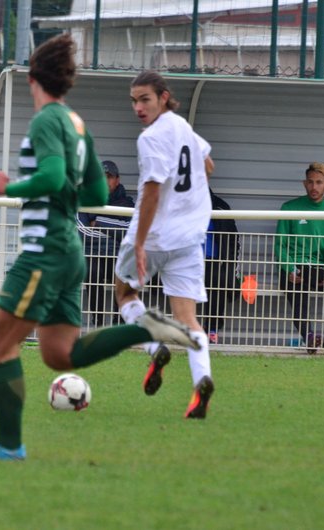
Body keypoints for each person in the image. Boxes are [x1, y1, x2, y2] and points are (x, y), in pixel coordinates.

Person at [0, 35, 199, 461]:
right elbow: (90, 190)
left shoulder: (47, 121)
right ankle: (146, 328)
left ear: (34, 78)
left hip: (44, 250)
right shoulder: (76, 123)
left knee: (0, 344)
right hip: (69, 250)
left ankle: (9, 446)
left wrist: (9, 186)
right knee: (59, 353)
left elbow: (50, 178)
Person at [113, 70, 214, 419]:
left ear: (163, 97)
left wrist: (139, 244)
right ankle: (202, 379)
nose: (138, 107)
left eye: (145, 99)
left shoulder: (151, 138)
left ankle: (155, 347)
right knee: (188, 321)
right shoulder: (183, 127)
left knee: (125, 294)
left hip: (154, 236)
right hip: (189, 237)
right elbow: (208, 165)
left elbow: (153, 191)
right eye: (134, 101)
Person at [274, 162, 324, 353]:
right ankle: (309, 337)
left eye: (319, 182)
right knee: (297, 291)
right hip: (295, 268)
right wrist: (290, 268)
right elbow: (279, 244)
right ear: (304, 183)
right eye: (310, 182)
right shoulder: (289, 207)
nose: (314, 187)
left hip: (320, 269)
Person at [77, 160, 134, 326]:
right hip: (93, 255)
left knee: (124, 271)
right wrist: (115, 235)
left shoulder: (127, 204)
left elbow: (130, 233)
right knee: (92, 271)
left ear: (117, 180)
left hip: (118, 256)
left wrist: (100, 223)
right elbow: (83, 232)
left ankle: (119, 323)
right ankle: (99, 324)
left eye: (108, 177)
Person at [201, 188, 241, 344]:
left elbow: (234, 240)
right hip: (187, 260)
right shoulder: (180, 204)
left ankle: (212, 329)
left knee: (219, 280)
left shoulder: (220, 207)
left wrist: (231, 268)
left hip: (213, 260)